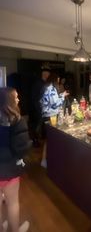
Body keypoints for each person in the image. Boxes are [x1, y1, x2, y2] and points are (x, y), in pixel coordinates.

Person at [0, 87, 31, 232]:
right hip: (10, 170)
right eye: (16, 97)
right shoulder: (17, 120)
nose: (18, 99)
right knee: (12, 203)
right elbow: (22, 148)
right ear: (9, 101)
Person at [40, 72, 69, 168]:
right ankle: (47, 161)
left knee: (48, 139)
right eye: (58, 80)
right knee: (51, 139)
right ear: (54, 79)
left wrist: (60, 95)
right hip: (51, 116)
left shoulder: (46, 87)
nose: (58, 81)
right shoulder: (51, 88)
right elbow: (55, 104)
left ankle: (46, 160)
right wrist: (63, 96)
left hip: (46, 115)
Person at [28, 68, 50, 147]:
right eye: (47, 74)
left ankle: (43, 139)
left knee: (44, 124)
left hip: (44, 108)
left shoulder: (46, 83)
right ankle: (35, 141)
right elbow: (34, 98)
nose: (48, 75)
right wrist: (39, 109)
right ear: (44, 74)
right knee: (37, 125)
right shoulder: (38, 83)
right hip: (38, 109)